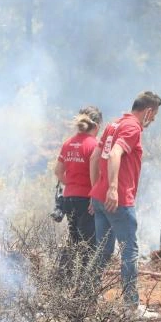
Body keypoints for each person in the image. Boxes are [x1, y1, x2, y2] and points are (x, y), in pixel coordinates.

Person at [89, 91, 161, 317]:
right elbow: (114, 154)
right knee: (129, 251)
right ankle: (132, 307)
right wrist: (112, 188)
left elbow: (95, 156)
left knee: (102, 252)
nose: (153, 120)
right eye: (154, 115)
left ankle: (87, 300)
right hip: (118, 200)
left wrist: (96, 191)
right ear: (148, 111)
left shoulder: (113, 124)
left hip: (100, 199)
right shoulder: (132, 127)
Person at [54, 106, 102, 276]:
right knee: (89, 245)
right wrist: (93, 196)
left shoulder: (68, 143)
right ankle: (85, 288)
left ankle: (68, 283)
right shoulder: (94, 145)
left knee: (74, 241)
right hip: (87, 201)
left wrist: (73, 184)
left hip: (69, 199)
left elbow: (58, 172)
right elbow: (96, 175)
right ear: (96, 126)